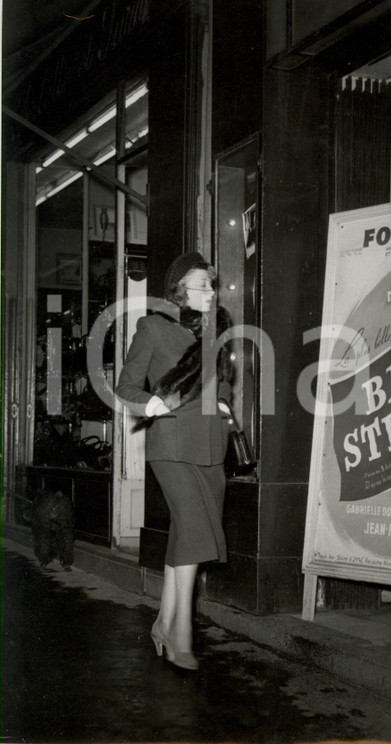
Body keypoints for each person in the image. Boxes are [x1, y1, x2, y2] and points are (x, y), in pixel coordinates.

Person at [116, 251, 232, 670]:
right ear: (179, 290)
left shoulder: (216, 334)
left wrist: (223, 406)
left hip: (210, 447)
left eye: (211, 285)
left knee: (187, 534)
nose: (210, 292)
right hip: (171, 447)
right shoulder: (152, 328)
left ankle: (163, 623)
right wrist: (150, 406)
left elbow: (221, 386)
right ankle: (181, 632)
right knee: (197, 533)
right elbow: (126, 386)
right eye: (201, 285)